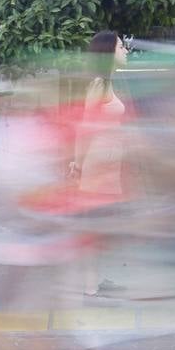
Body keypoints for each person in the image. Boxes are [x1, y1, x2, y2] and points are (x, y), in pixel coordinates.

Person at [70, 31, 130, 296]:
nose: (125, 50)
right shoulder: (99, 84)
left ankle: (95, 280)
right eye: (120, 46)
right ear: (108, 52)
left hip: (109, 165)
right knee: (94, 225)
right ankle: (90, 286)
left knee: (102, 225)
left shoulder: (108, 82)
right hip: (97, 165)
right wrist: (78, 163)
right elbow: (85, 127)